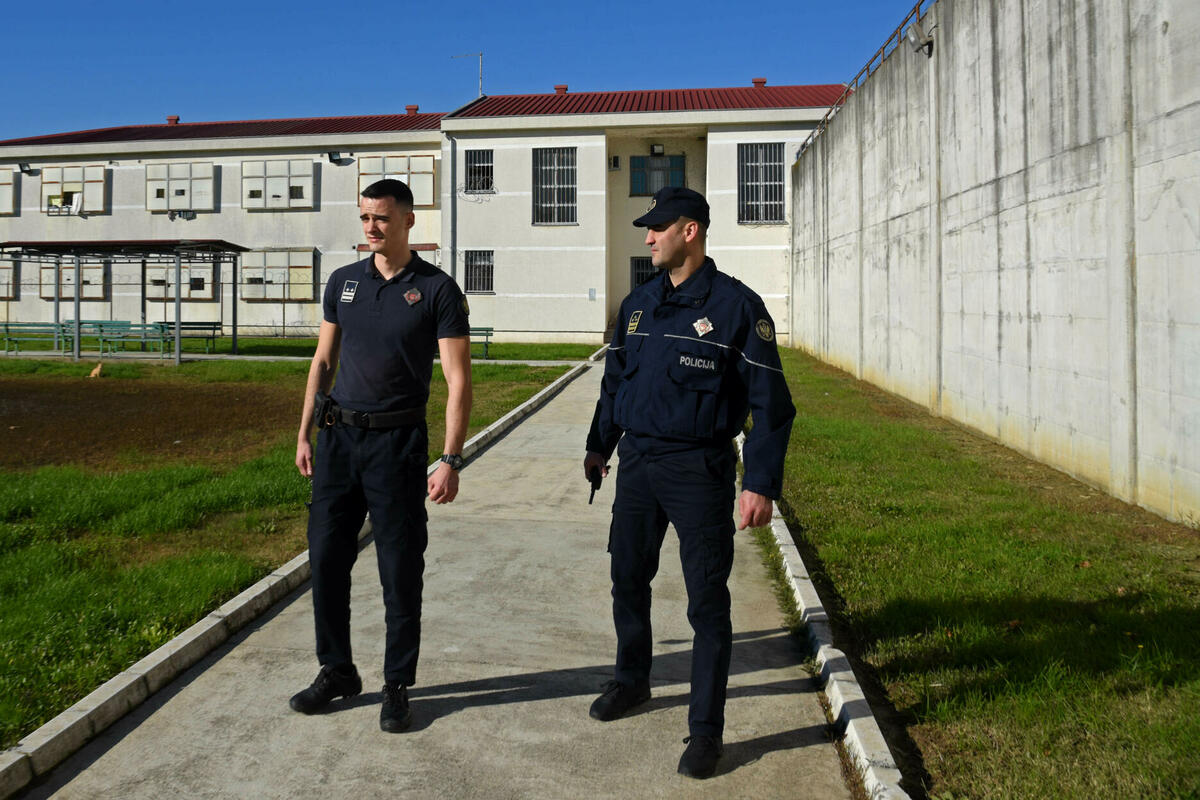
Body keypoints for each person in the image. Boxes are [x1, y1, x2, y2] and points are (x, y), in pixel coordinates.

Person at [583, 186, 795, 779]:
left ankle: (705, 731)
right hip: (639, 466)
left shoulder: (737, 307)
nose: (648, 237)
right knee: (628, 578)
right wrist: (600, 445)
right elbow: (614, 383)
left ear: (690, 231)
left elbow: (772, 406)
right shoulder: (638, 304)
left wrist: (759, 483)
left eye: (658, 227)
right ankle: (632, 680)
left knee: (706, 601)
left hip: (698, 470)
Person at [291, 178, 472, 733]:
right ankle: (337, 670)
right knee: (326, 558)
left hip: (397, 446)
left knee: (399, 567)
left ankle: (397, 683)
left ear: (409, 221)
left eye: (382, 218)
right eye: (365, 217)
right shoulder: (344, 282)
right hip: (338, 441)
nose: (371, 227)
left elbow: (458, 381)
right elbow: (323, 362)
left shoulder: (437, 290)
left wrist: (450, 459)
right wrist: (303, 432)